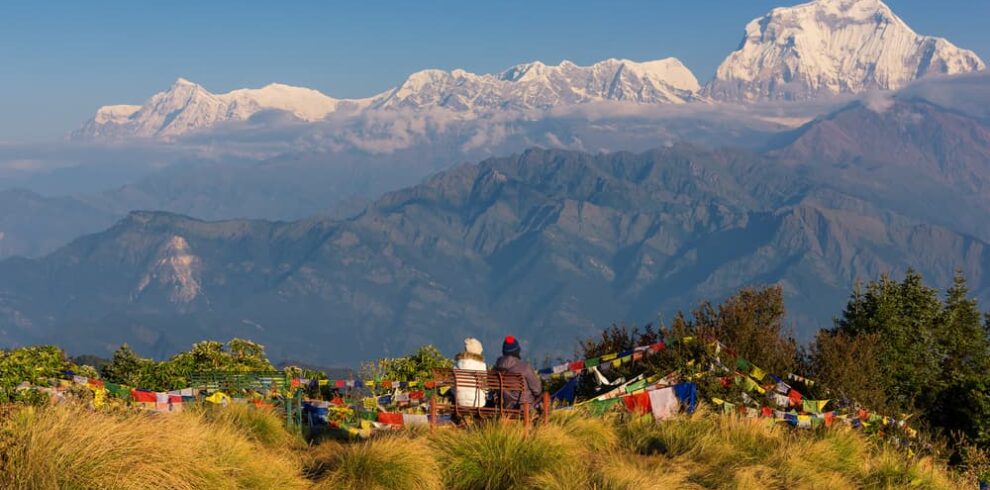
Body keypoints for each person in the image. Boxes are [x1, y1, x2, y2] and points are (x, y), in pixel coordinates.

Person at [493, 335, 542, 409]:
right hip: (525, 407)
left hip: (506, 406)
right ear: (517, 351)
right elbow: (537, 390)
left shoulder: (496, 368)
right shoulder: (525, 367)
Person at [454, 338, 487, 408]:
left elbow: (453, 386)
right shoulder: (481, 365)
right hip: (478, 403)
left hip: (460, 402)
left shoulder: (458, 364)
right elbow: (484, 387)